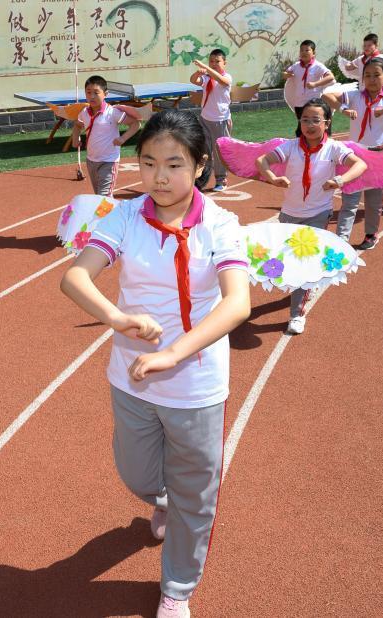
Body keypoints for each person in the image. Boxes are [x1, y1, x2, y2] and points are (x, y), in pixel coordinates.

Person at [60, 109, 251, 618]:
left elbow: (237, 304)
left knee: (196, 494)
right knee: (139, 476)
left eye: (173, 164)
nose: (158, 177)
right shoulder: (124, 216)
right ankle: (163, 499)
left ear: (199, 164)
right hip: (133, 376)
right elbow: (75, 279)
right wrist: (116, 317)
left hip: (196, 386)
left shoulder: (221, 224)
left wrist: (173, 351)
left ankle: (177, 589)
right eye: (147, 163)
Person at [255, 98, 366, 334]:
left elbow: (360, 165)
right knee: (283, 262)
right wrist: (272, 177)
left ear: (327, 123)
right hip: (288, 214)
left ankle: (297, 314)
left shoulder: (334, 148)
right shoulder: (291, 146)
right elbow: (262, 160)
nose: (309, 124)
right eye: (305, 119)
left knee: (304, 264)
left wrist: (340, 180)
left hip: (317, 215)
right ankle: (303, 285)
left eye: (315, 120)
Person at [323, 58, 383, 250]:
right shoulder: (355, 96)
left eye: (377, 75)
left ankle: (371, 234)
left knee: (374, 201)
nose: (372, 79)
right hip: (355, 156)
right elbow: (328, 96)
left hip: (379, 156)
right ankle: (341, 239)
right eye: (367, 75)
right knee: (350, 199)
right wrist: (343, 109)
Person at [71, 75, 141, 196]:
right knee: (100, 197)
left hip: (109, 161)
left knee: (103, 197)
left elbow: (135, 124)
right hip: (91, 160)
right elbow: (77, 125)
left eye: (96, 92)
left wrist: (123, 138)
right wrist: (75, 139)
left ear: (105, 94)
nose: (91, 96)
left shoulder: (112, 112)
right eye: (88, 92)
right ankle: (111, 214)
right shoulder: (84, 112)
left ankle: (108, 215)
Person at [190, 49, 233, 192]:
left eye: (217, 61)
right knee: (204, 150)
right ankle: (201, 180)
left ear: (225, 63)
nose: (214, 64)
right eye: (211, 61)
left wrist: (207, 68)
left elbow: (221, 80)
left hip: (220, 121)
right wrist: (198, 73)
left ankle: (221, 180)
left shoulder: (227, 77)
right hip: (204, 118)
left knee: (219, 152)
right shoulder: (207, 78)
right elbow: (193, 80)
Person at [283, 39, 335, 136]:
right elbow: (285, 74)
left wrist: (315, 84)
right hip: (299, 103)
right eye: (301, 50)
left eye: (307, 50)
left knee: (317, 126)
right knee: (302, 129)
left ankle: (323, 144)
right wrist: (287, 75)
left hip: (314, 103)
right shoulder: (296, 66)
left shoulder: (318, 66)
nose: (303, 52)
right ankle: (302, 148)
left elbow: (330, 77)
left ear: (313, 53)